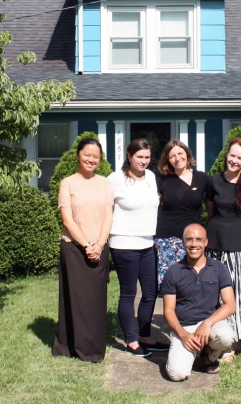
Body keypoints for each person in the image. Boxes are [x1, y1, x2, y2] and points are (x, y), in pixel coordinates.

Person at [53, 137, 113, 363]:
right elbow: (68, 221)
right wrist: (87, 245)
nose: (91, 159)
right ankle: (69, 346)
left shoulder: (105, 183)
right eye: (87, 154)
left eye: (96, 156)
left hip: (99, 247)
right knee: (74, 299)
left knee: (95, 301)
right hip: (74, 249)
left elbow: (108, 217)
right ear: (78, 154)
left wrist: (98, 244)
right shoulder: (67, 183)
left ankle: (93, 349)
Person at [108, 139, 169, 357]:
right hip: (124, 244)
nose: (144, 161)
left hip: (147, 243)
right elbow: (105, 210)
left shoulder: (151, 177)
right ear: (129, 156)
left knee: (150, 293)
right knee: (129, 293)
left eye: (147, 157)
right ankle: (131, 341)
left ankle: (145, 336)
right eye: (139, 157)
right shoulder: (115, 179)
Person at [205, 137, 241, 361]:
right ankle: (218, 335)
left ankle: (235, 339)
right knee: (216, 293)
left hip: (240, 245)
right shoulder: (213, 181)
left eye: (240, 157)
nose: (234, 160)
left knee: (240, 293)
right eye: (232, 155)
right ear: (226, 155)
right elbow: (211, 211)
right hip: (215, 243)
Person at [161, 223, 236, 381]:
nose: (194, 244)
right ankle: (193, 350)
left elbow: (230, 305)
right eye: (189, 240)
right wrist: (183, 335)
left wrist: (207, 323)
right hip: (184, 327)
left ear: (206, 242)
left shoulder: (219, 268)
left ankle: (209, 356)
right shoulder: (173, 272)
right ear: (183, 242)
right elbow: (168, 310)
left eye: (198, 239)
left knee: (226, 336)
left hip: (210, 325)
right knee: (177, 375)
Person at [155, 140, 208, 290]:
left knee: (192, 284)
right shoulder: (161, 180)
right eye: (172, 156)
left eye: (180, 153)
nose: (177, 158)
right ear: (167, 159)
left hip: (192, 241)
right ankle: (170, 314)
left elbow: (210, 206)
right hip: (166, 239)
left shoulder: (202, 178)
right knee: (169, 286)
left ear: (187, 154)